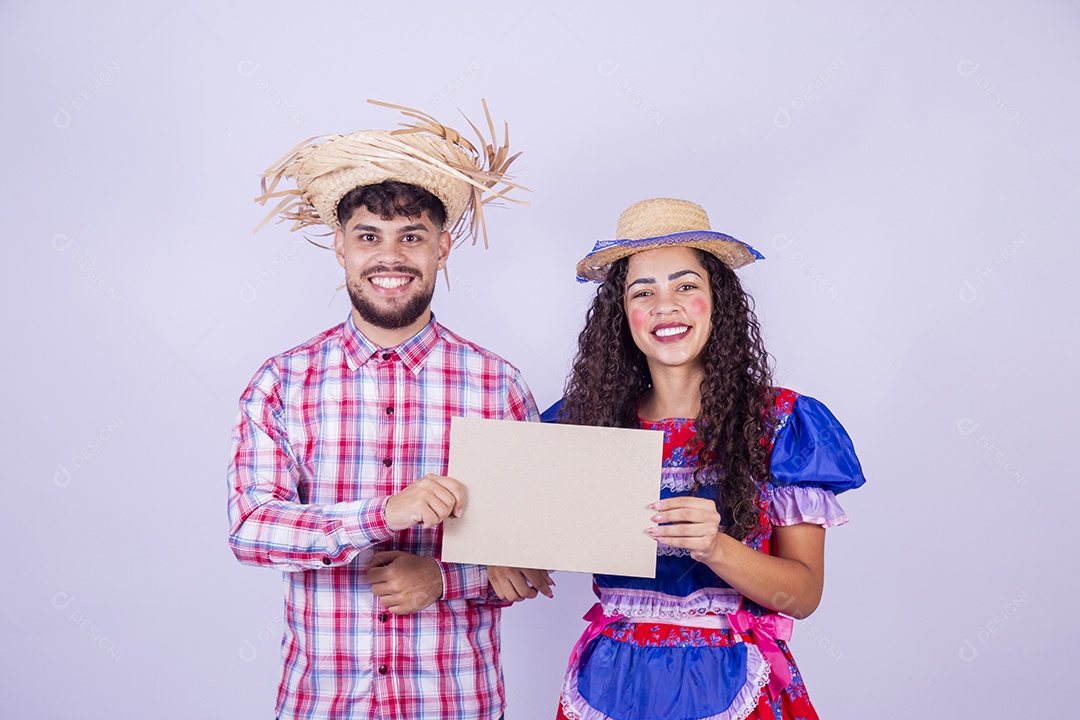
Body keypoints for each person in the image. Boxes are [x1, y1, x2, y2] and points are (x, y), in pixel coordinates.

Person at [227, 101, 549, 720]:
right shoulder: (283, 382)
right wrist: (381, 514)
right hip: (324, 703)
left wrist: (445, 580)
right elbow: (251, 530)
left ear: (442, 247)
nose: (390, 257)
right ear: (341, 248)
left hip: (454, 701)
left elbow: (532, 557)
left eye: (412, 237)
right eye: (368, 236)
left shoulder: (498, 385)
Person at [542, 198, 866, 720]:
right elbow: (523, 523)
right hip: (611, 682)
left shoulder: (781, 423)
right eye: (642, 292)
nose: (664, 306)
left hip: (735, 678)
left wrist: (715, 547)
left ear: (718, 301)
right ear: (622, 315)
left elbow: (802, 596)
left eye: (685, 285)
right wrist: (499, 552)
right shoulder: (582, 424)